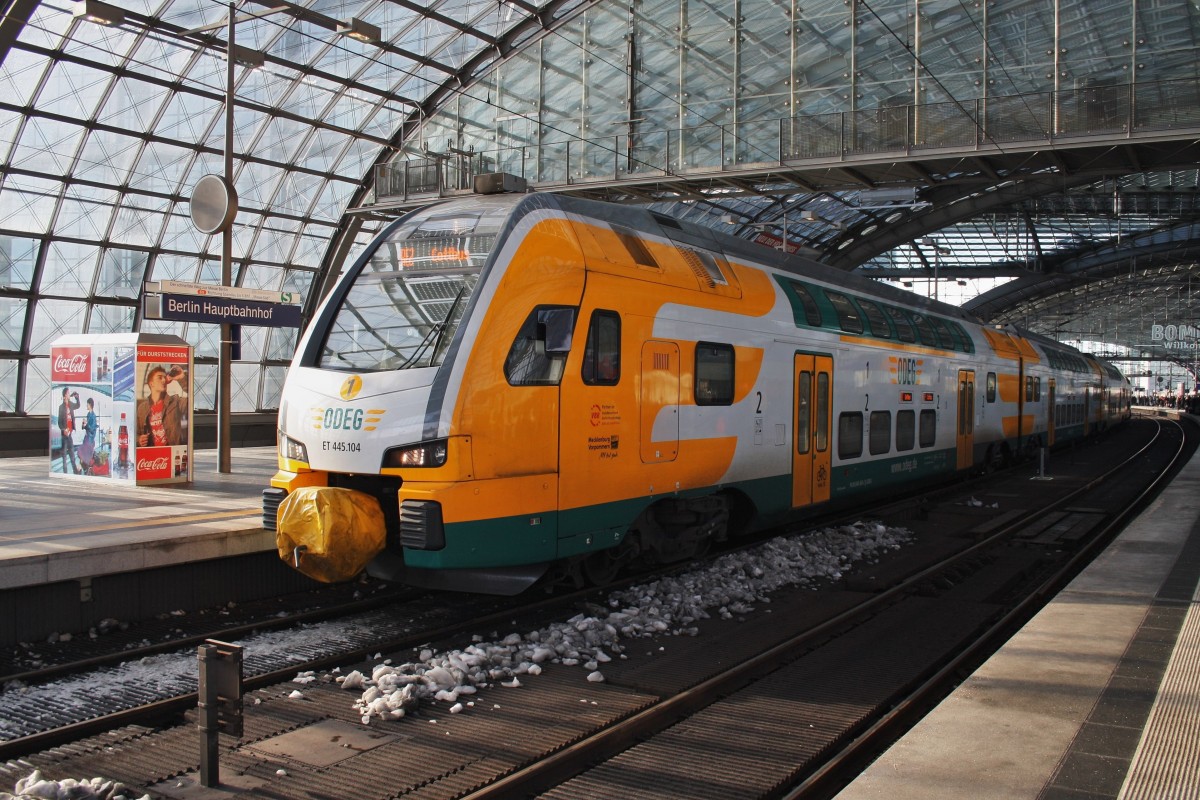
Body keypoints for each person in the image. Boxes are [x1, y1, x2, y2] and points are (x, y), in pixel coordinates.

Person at [136, 365, 185, 447]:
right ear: (151, 383)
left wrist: (181, 378)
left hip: (171, 451)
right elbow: (135, 432)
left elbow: (191, 401)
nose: (164, 380)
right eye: (160, 377)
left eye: (165, 378)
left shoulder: (176, 402)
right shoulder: (142, 408)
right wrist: (139, 440)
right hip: (152, 452)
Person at [56, 387, 81, 474]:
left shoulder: (71, 404)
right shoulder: (61, 407)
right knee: (64, 457)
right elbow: (59, 422)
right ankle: (65, 473)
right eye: (68, 393)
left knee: (72, 455)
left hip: (69, 435)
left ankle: (75, 472)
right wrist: (63, 430)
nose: (69, 394)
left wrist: (77, 398)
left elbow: (78, 406)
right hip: (64, 436)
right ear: (65, 395)